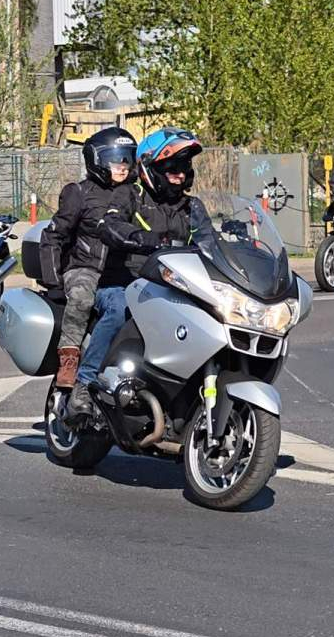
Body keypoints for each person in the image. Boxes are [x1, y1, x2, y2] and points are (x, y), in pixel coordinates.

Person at [68, 127, 211, 421]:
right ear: (149, 166)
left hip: (175, 289)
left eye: (184, 166)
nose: (179, 173)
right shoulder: (129, 195)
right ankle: (85, 383)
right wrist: (142, 239)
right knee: (120, 306)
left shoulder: (192, 207)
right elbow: (110, 224)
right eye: (170, 166)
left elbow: (209, 242)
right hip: (124, 282)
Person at [44, 127, 158, 391]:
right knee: (84, 296)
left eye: (127, 158)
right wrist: (54, 282)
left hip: (120, 272)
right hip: (84, 268)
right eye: (115, 159)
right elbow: (54, 235)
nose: (123, 166)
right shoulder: (79, 192)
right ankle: (71, 360)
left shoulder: (136, 195)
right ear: (96, 160)